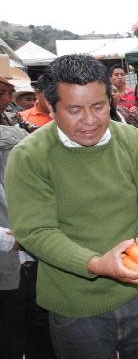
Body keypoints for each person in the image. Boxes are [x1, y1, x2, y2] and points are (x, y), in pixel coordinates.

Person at [5, 54, 138, 358]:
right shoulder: (29, 156)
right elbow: (36, 232)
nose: (90, 120)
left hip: (137, 293)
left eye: (99, 107)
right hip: (74, 306)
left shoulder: (132, 140)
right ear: (50, 107)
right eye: (74, 110)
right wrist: (98, 264)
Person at [0, 125, 57, 359]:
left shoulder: (34, 172)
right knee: (9, 341)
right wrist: (9, 240)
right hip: (6, 276)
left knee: (44, 339)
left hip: (39, 271)